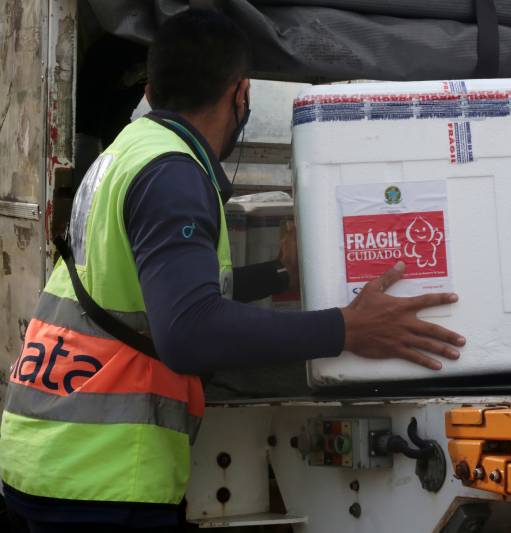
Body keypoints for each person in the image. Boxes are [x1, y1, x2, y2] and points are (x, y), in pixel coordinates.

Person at [0, 10, 464, 533]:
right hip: (100, 474)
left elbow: (156, 293)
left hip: (46, 450)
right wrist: (347, 329)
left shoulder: (127, 152)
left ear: (150, 93)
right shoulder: (172, 173)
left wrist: (279, 276)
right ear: (242, 93)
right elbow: (188, 331)